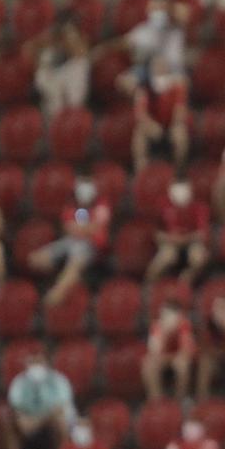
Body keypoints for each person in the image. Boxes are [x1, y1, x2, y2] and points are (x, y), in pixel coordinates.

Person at [29, 178, 111, 308]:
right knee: (35, 259)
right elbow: (69, 227)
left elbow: (97, 228)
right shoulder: (70, 205)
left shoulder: (102, 205)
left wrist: (83, 229)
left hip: (93, 245)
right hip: (71, 242)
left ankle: (51, 300)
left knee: (75, 262)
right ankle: (65, 278)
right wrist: (86, 229)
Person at [2, 355, 77, 449]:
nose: (36, 367)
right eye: (33, 363)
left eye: (39, 362)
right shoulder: (19, 382)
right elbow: (17, 410)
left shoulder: (59, 380)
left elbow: (60, 409)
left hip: (50, 423)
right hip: (28, 426)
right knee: (9, 423)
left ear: (46, 363)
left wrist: (38, 421)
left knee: (60, 421)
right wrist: (24, 421)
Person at [146, 180, 211, 287]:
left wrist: (184, 239)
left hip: (192, 242)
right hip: (170, 241)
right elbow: (156, 234)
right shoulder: (162, 205)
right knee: (166, 257)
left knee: (198, 257)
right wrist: (170, 238)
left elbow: (202, 234)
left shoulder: (200, 207)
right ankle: (149, 287)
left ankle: (185, 281)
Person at [131, 65, 191, 175]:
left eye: (163, 67)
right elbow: (140, 113)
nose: (160, 70)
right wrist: (151, 125)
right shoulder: (145, 89)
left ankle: (178, 172)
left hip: (171, 126)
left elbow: (180, 109)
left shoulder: (176, 87)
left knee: (180, 134)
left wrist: (175, 124)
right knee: (139, 134)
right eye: (157, 67)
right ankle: (141, 173)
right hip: (152, 127)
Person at [29, 17, 92, 120]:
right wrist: (49, 39)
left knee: (79, 64)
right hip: (53, 100)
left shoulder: (79, 61)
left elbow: (80, 52)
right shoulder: (50, 52)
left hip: (74, 102)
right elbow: (29, 48)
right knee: (46, 59)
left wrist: (69, 37)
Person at [142, 302, 196, 401]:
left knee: (182, 365)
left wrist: (178, 356)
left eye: (170, 315)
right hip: (163, 357)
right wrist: (165, 334)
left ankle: (179, 399)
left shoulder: (185, 325)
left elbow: (187, 350)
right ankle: (156, 400)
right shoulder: (156, 326)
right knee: (148, 364)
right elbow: (154, 352)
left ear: (179, 316)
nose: (166, 318)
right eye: (164, 315)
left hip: (178, 357)